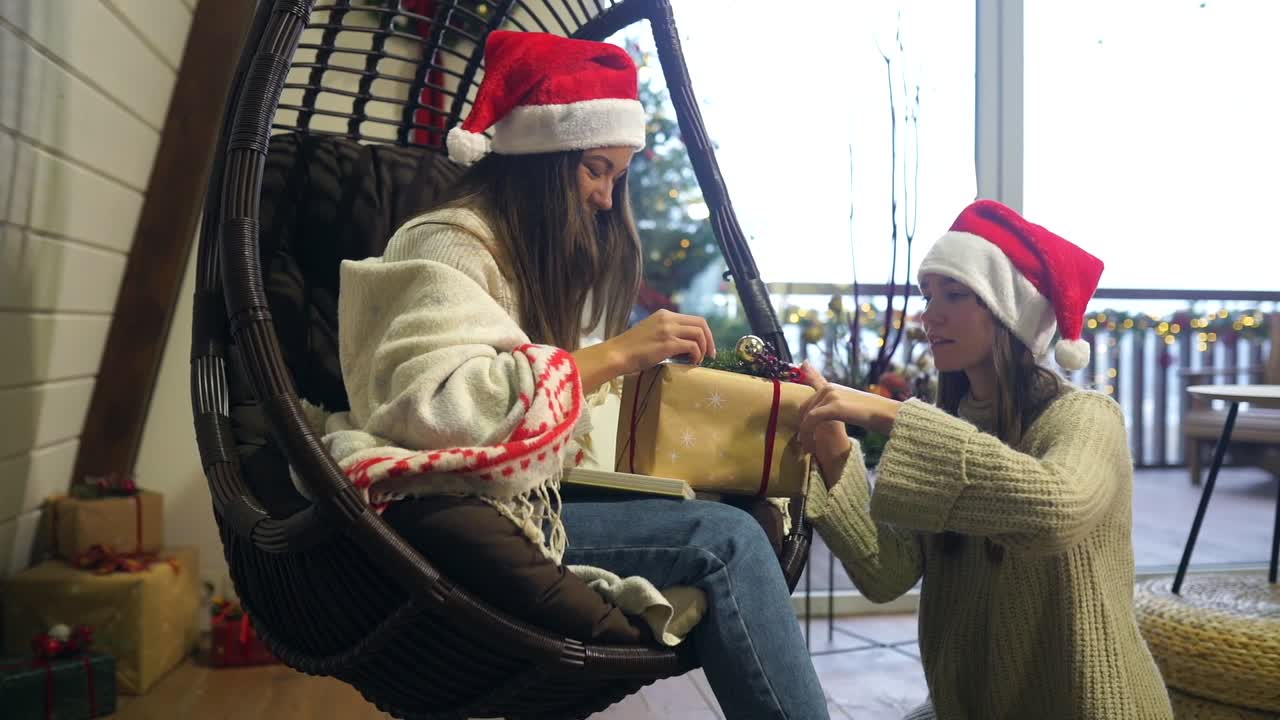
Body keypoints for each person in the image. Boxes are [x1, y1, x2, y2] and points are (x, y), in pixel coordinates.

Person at [317, 30, 828, 719]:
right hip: (461, 509)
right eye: (595, 170)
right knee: (726, 542)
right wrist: (616, 355)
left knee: (735, 511)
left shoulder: (519, 253)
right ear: (541, 160)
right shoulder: (446, 244)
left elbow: (548, 397)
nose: (606, 198)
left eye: (617, 177)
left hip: (527, 496)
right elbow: (430, 407)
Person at [795, 199, 1174, 719]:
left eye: (956, 295)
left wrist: (890, 415)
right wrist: (835, 448)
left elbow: (1055, 509)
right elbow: (887, 572)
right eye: (929, 295)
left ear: (1009, 312)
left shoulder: (1087, 418)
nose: (932, 314)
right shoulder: (952, 426)